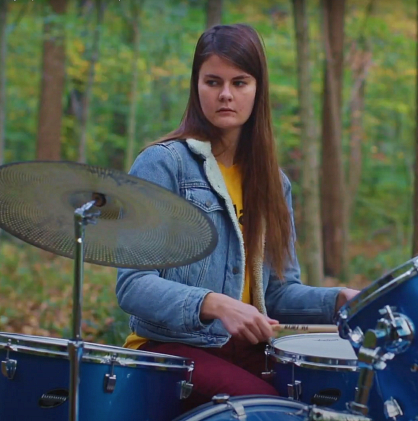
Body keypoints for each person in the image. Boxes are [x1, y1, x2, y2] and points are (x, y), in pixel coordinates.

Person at [115, 23, 359, 411]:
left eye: (240, 82)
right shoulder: (164, 164)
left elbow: (277, 294)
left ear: (258, 89)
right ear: (196, 86)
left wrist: (339, 300)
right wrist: (213, 303)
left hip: (246, 351)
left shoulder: (274, 184)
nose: (226, 94)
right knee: (271, 408)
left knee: (340, 391)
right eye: (213, 81)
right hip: (168, 349)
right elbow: (132, 285)